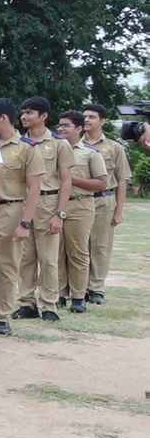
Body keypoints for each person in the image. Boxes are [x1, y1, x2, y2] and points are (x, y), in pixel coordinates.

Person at [0, 99, 45, 335]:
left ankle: (1, 315)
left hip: (10, 209)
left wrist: (25, 222)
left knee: (6, 264)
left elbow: (34, 188)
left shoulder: (26, 148)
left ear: (3, 118)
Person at [15, 97, 73, 322]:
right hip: (22, 204)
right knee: (25, 258)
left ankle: (49, 304)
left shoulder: (59, 144)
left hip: (48, 203)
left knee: (49, 259)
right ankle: (26, 303)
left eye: (30, 112)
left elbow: (66, 181)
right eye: (23, 112)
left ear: (44, 116)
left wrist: (60, 214)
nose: (24, 116)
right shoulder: (18, 143)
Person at [55, 111, 107, 313]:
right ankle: (59, 294)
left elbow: (101, 183)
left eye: (66, 125)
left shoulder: (90, 153)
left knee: (77, 252)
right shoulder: (52, 149)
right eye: (60, 125)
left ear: (78, 128)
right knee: (56, 252)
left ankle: (78, 296)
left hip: (80, 205)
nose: (61, 129)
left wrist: (70, 179)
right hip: (54, 205)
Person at [81, 105, 132, 305]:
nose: (87, 120)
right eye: (85, 116)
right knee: (79, 246)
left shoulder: (114, 147)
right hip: (80, 200)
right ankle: (79, 288)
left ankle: (96, 288)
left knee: (100, 246)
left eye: (92, 117)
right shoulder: (73, 145)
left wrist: (119, 210)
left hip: (104, 200)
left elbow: (122, 180)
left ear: (102, 121)